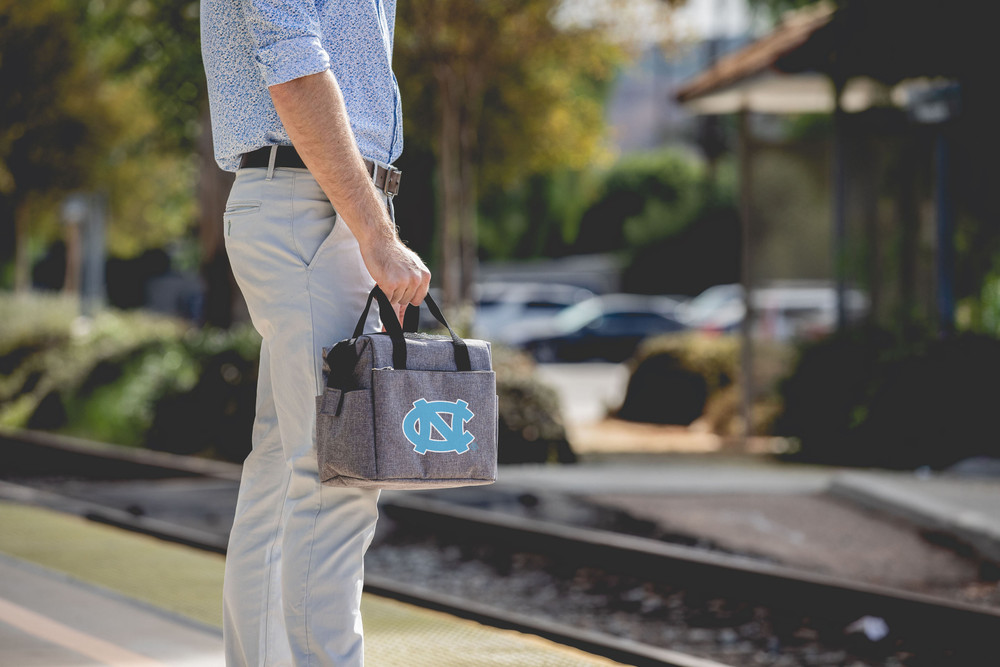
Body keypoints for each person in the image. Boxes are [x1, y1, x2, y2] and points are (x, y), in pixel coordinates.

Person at [200, 1, 430, 665]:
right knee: (340, 472)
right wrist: (376, 234)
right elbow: (294, 66)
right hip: (315, 207)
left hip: (314, 200)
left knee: (284, 468)